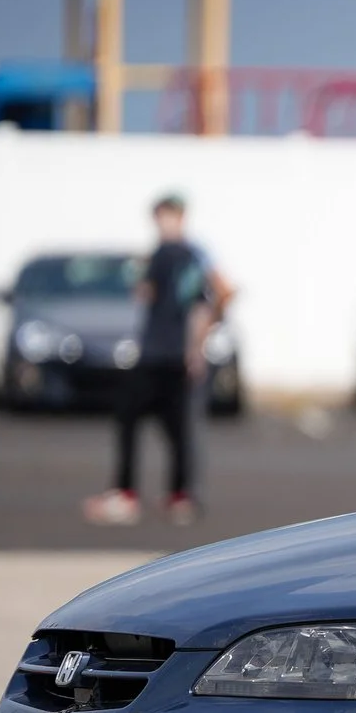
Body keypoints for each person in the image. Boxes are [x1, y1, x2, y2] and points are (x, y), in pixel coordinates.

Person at [83, 194, 233, 527]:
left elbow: (150, 293)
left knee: (130, 416)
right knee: (177, 428)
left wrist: (196, 343)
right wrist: (198, 345)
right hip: (178, 354)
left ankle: (126, 494)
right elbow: (209, 301)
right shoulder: (195, 257)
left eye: (165, 217)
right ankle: (181, 496)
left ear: (176, 218)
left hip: (157, 353)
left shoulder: (166, 255)